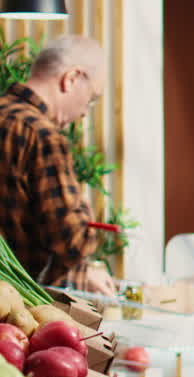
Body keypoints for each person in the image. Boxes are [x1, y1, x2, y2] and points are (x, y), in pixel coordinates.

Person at [0, 34, 114, 295]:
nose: (84, 113)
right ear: (71, 78)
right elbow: (70, 240)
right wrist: (84, 213)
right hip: (17, 303)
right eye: (91, 98)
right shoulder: (43, 136)